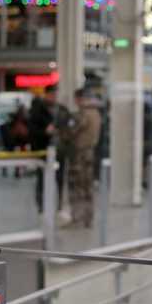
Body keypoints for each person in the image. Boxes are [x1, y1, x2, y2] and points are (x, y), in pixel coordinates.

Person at [66, 89, 102, 228]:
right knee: (88, 186)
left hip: (79, 154)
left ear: (79, 99)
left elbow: (72, 131)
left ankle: (77, 218)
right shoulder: (96, 113)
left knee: (77, 186)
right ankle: (88, 218)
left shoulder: (83, 114)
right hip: (90, 152)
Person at [28, 86, 67, 211]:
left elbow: (69, 128)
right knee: (42, 179)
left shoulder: (62, 110)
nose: (54, 97)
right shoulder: (37, 110)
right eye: (51, 94)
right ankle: (42, 206)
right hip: (43, 150)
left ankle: (59, 205)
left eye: (55, 94)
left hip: (60, 151)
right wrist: (45, 132)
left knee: (59, 179)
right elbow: (32, 130)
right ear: (46, 95)